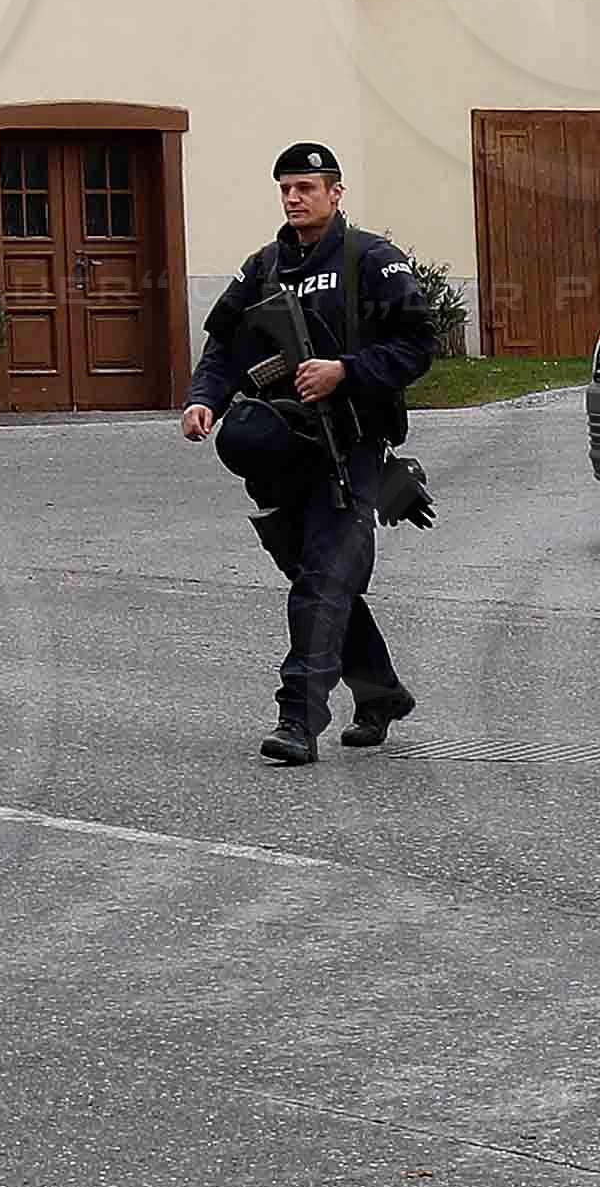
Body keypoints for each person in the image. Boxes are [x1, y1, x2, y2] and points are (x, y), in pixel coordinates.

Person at [180, 144, 432, 763]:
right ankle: (380, 693)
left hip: (352, 449)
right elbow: (224, 344)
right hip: (285, 454)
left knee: (322, 581)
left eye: (306, 188)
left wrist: (345, 370)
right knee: (319, 577)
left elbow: (418, 344)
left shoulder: (371, 259)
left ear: (335, 193)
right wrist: (205, 399)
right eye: (286, 189)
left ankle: (298, 719)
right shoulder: (264, 267)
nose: (294, 198)